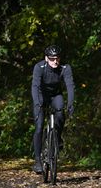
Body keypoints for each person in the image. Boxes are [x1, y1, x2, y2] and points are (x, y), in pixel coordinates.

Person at [31, 44, 75, 173]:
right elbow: (35, 86)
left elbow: (70, 86)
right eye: (52, 58)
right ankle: (38, 160)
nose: (55, 61)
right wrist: (37, 104)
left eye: (57, 58)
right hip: (41, 96)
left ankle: (57, 137)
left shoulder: (65, 68)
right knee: (39, 127)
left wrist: (71, 103)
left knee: (60, 113)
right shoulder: (39, 67)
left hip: (56, 95)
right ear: (46, 58)